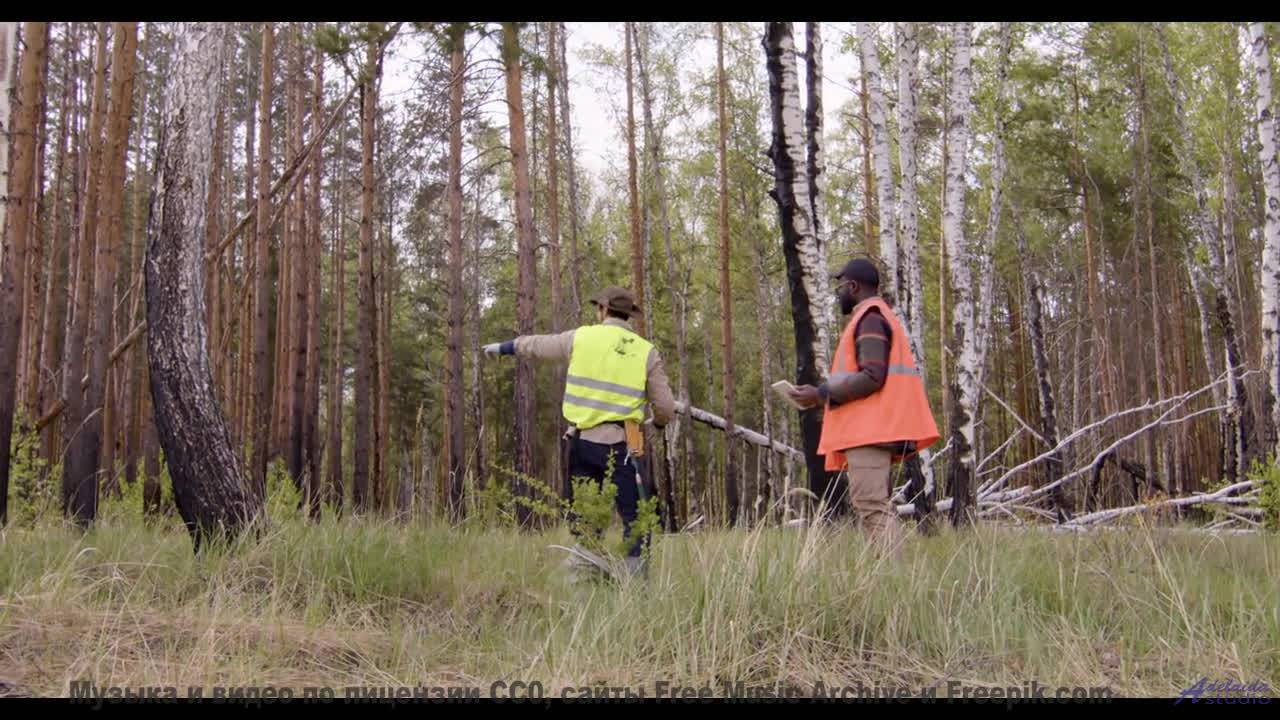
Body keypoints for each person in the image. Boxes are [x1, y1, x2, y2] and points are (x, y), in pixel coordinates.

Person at [484, 287, 676, 576]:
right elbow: (665, 407)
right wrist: (659, 423)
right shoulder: (645, 351)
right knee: (636, 520)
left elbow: (537, 345)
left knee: (586, 519)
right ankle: (634, 588)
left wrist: (503, 347)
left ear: (602, 310)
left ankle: (582, 579)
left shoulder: (580, 337)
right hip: (626, 447)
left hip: (582, 443)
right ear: (629, 316)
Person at [787, 258, 940, 552]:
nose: (838, 293)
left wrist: (820, 394)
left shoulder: (870, 317)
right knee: (874, 504)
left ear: (853, 286)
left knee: (871, 504)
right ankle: (887, 577)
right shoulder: (872, 316)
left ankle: (895, 581)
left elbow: (872, 376)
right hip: (875, 429)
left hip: (873, 432)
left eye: (840, 286)